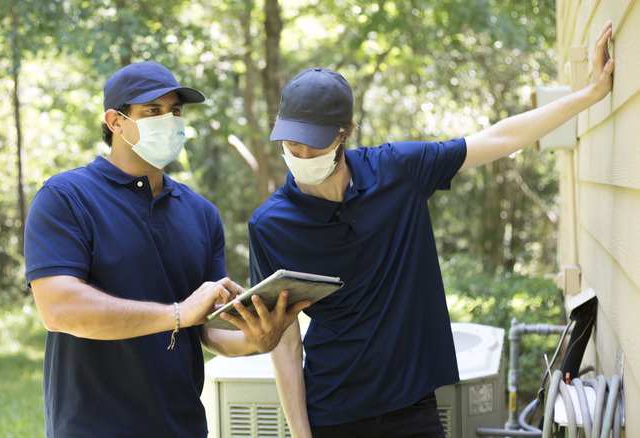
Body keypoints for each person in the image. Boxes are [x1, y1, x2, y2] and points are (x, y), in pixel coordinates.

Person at [249, 21, 615, 438]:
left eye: (313, 144)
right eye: (291, 144)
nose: (300, 155)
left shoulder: (398, 171)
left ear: (344, 133)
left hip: (412, 405)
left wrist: (590, 95)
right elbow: (284, 338)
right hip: (333, 411)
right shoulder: (269, 225)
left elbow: (497, 138)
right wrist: (300, 433)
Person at [24, 61, 308, 437]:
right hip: (91, 428)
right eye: (152, 111)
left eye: (175, 110)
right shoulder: (65, 198)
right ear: (115, 121)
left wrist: (255, 340)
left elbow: (207, 329)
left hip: (183, 427)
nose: (170, 121)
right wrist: (177, 313)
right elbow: (59, 309)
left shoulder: (201, 213)